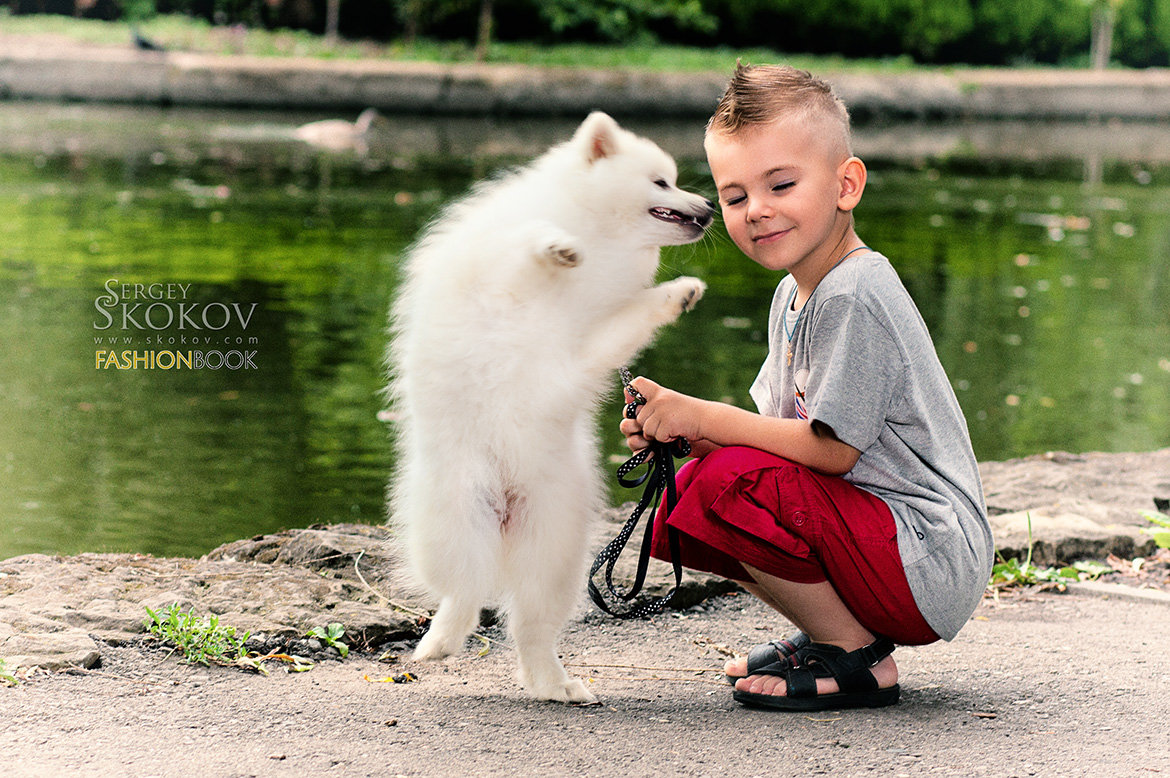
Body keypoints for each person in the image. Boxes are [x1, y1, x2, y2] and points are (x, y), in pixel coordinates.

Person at [619, 63, 993, 712]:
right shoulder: (793, 294)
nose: (756, 210)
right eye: (734, 199)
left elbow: (829, 453)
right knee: (698, 491)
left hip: (927, 555)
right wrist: (684, 430)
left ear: (846, 185)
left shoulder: (856, 291)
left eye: (781, 184)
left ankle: (853, 654)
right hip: (890, 550)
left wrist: (706, 414)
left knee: (725, 484)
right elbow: (773, 449)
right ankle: (830, 634)